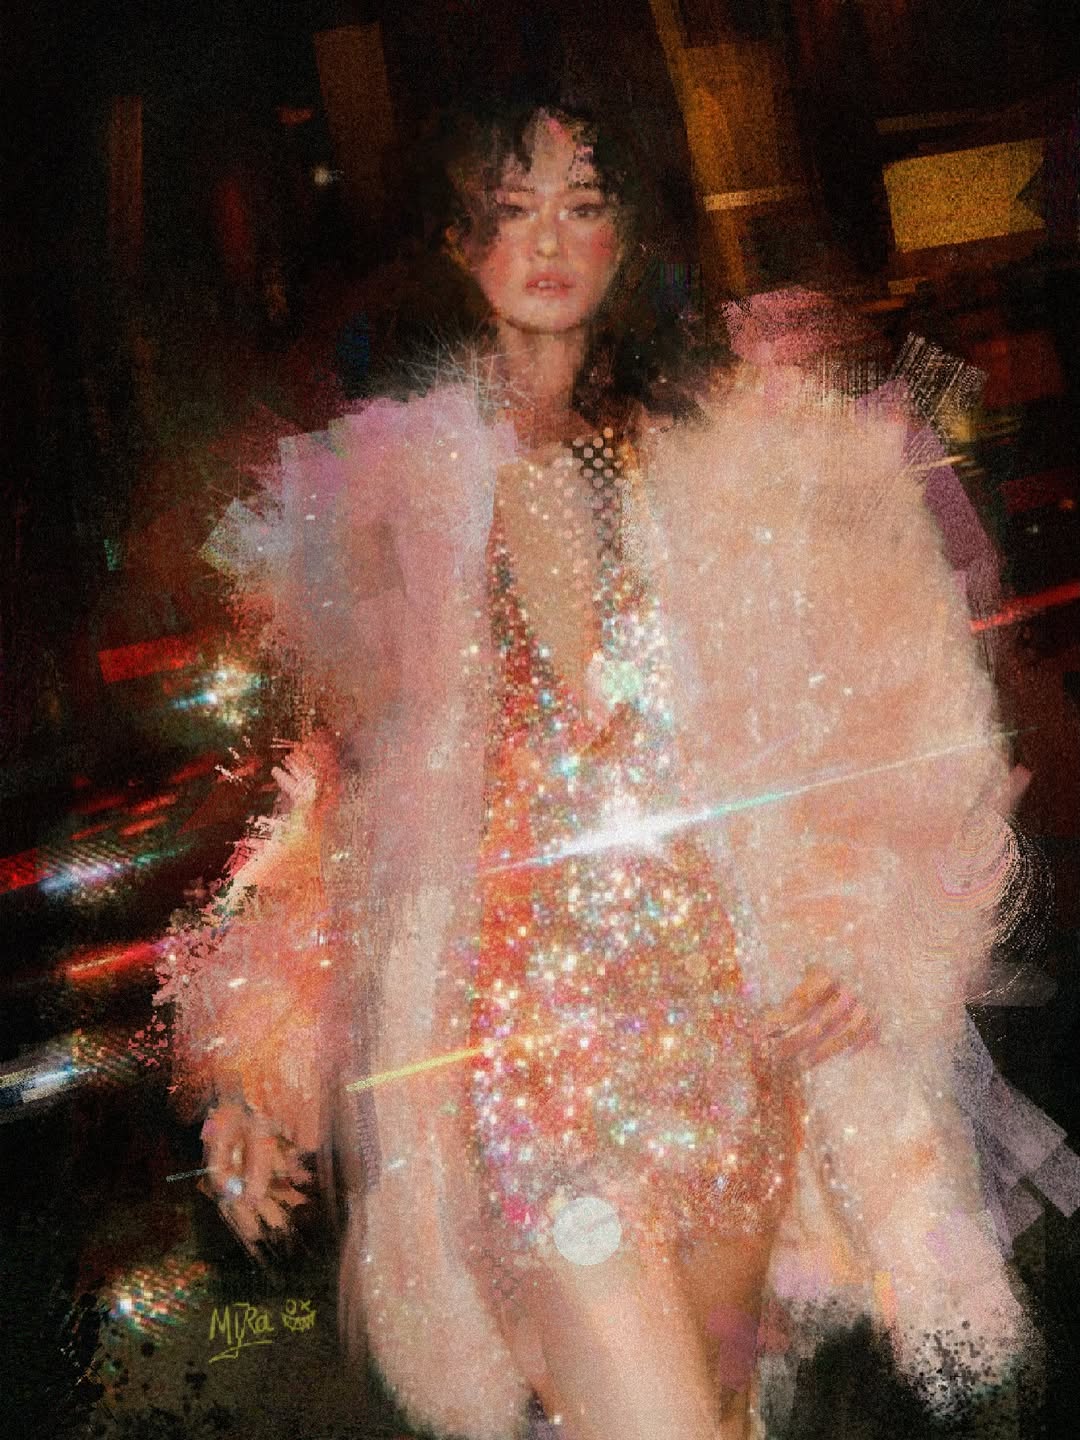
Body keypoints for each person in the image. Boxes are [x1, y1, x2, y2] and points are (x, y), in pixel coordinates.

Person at [158, 97, 1042, 1440]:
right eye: (512, 208)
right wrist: (256, 1067)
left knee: (726, 1412)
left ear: (632, 234)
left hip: (734, 1060)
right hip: (532, 1075)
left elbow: (904, 717)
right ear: (455, 236)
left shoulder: (741, 458)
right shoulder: (403, 501)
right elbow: (349, 805)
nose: (550, 243)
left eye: (584, 205)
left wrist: (871, 940)